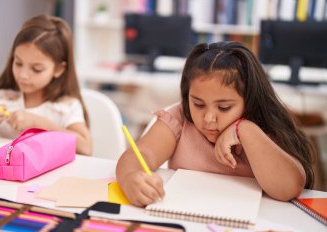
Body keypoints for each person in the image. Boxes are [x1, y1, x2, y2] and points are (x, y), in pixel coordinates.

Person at [116, 41, 314, 207]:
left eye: (225, 108)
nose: (209, 118)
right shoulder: (180, 118)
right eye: (198, 104)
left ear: (250, 99)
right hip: (187, 218)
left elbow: (289, 188)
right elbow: (140, 154)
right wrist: (131, 177)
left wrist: (245, 130)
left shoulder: (263, 127)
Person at [0, 14, 92, 155]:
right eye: (18, 63)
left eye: (36, 69)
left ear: (59, 69)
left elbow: (86, 148)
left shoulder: (65, 107)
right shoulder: (6, 99)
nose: (23, 75)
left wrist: (38, 122)